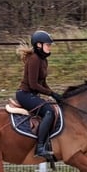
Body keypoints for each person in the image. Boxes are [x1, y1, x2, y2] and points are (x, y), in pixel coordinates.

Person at [15, 30, 63, 158]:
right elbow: (33, 85)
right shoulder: (34, 59)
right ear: (39, 45)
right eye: (47, 45)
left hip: (32, 95)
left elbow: (43, 83)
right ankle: (40, 147)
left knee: (52, 108)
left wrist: (55, 95)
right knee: (49, 111)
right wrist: (51, 93)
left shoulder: (43, 61)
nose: (49, 47)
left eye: (50, 45)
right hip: (25, 94)